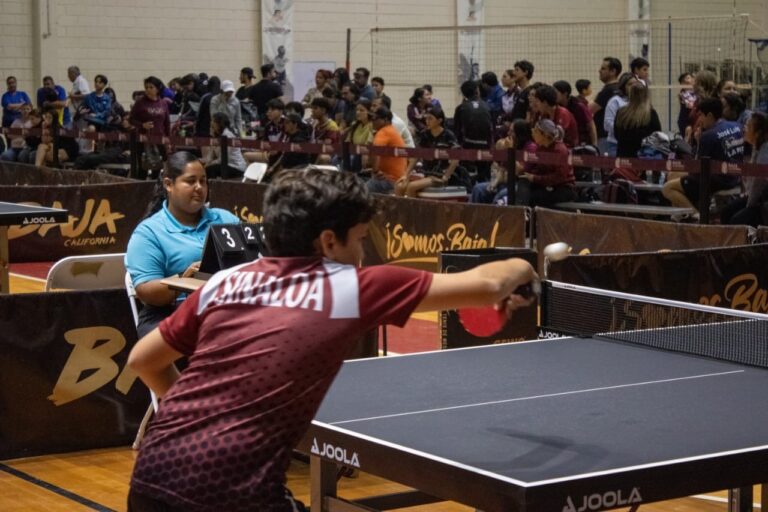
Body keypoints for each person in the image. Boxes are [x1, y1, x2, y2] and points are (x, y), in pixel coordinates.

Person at [126, 166, 537, 512]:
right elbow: (488, 285)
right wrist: (524, 265)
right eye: (359, 239)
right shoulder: (351, 287)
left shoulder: (225, 281)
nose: (361, 252)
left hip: (151, 475)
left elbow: (144, 360)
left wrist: (198, 424)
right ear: (328, 241)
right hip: (229, 492)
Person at [125, 151, 240, 339]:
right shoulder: (148, 232)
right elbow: (146, 292)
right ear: (169, 184)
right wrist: (183, 280)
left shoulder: (226, 219)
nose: (199, 187)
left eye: (203, 181)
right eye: (191, 181)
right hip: (170, 311)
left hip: (227, 305)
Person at [663, 97, 744, 212]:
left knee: (667, 188)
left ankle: (697, 216)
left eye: (701, 115)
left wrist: (699, 142)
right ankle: (680, 216)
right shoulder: (737, 126)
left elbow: (697, 170)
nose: (699, 120)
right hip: (735, 176)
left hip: (717, 180)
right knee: (672, 175)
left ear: (710, 115)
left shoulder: (708, 136)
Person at [721, 112, 768, 226]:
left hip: (764, 202)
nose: (744, 128)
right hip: (759, 198)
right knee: (727, 211)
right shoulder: (756, 147)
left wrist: (748, 206)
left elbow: (758, 184)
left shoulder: (764, 153)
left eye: (748, 126)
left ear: (758, 133)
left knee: (737, 221)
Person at [516, 118, 576, 207]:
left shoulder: (560, 150)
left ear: (544, 134)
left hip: (562, 187)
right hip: (546, 184)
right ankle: (520, 212)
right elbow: (539, 169)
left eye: (535, 130)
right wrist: (528, 175)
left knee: (535, 197)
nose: (532, 132)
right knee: (523, 182)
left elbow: (559, 176)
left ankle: (527, 215)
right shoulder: (541, 148)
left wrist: (535, 178)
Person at [453, 80, 493, 182]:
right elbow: (492, 129)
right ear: (477, 90)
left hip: (467, 146)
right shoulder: (488, 106)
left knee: (467, 176)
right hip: (486, 147)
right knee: (484, 176)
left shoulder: (461, 108)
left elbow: (456, 131)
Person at [614, 82, 661, 159]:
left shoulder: (621, 112)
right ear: (646, 95)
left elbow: (616, 134)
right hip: (644, 157)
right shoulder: (651, 113)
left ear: (630, 94)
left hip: (623, 156)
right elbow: (657, 135)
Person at [367, 106, 407, 194]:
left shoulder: (384, 132)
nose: (372, 122)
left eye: (375, 119)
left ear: (385, 120)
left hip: (390, 180)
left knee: (359, 191)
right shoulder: (391, 130)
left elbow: (375, 151)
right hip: (397, 178)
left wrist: (375, 171)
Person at [590, 56, 622, 154]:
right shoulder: (620, 88)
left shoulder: (608, 90)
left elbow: (589, 110)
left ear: (613, 71)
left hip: (605, 138)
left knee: (605, 166)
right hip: (615, 136)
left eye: (603, 68)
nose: (599, 71)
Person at [204, 112, 247, 179]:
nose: (211, 123)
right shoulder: (216, 136)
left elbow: (223, 159)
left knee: (211, 169)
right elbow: (210, 156)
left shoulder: (227, 135)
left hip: (236, 167)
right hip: (225, 165)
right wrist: (205, 162)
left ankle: (214, 188)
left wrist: (210, 164)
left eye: (213, 121)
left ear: (219, 123)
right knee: (205, 168)